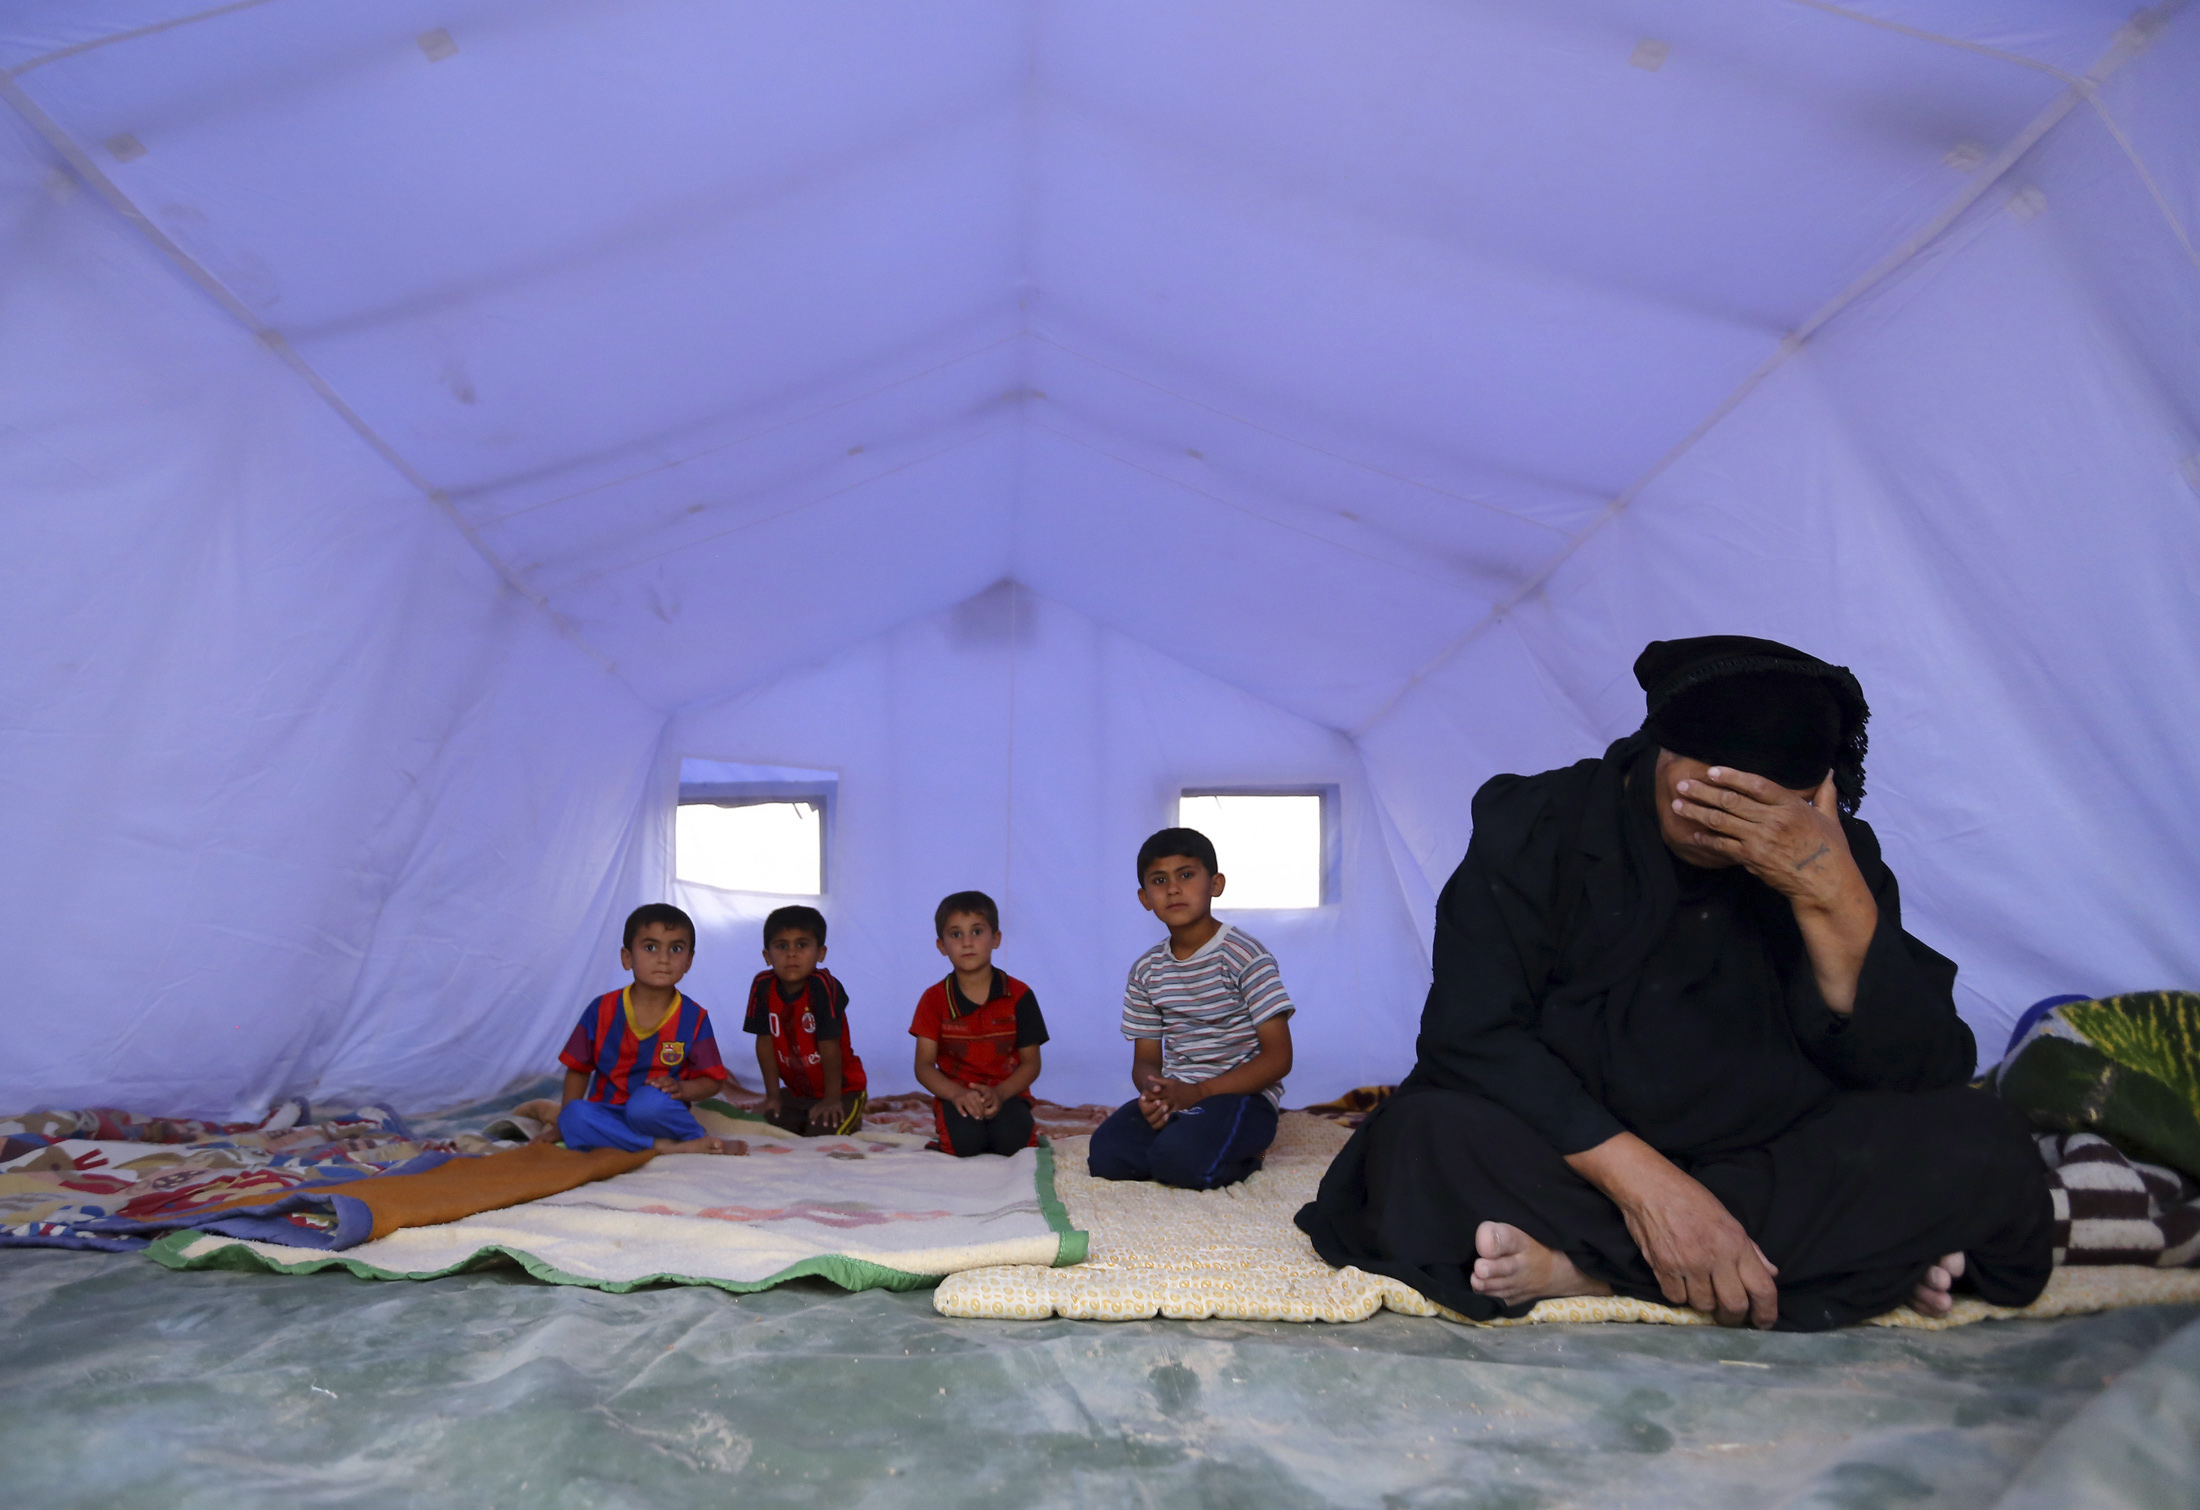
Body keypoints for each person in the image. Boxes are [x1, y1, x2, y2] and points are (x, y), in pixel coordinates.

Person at [1296, 636, 2054, 1332]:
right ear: (1657, 746)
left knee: (1982, 1142)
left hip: (1766, 1152)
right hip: (1574, 1150)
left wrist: (1833, 901)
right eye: (1700, 775)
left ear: (1811, 797)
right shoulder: (1543, 825)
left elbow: (1922, 1068)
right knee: (1419, 1146)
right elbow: (1473, 1034)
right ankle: (1835, 1268)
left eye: (1755, 797)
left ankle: (1588, 1271)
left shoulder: (1833, 856)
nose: (1713, 808)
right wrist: (1653, 1192)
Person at [1089, 828, 1296, 1190]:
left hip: (1242, 1098)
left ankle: (1242, 1157)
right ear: (1145, 898)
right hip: (1180, 1098)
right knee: (1106, 1154)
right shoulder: (1146, 970)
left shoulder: (1245, 955)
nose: (1173, 889)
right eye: (1159, 880)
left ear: (1215, 884)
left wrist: (1198, 1093)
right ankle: (1189, 1147)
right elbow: (1146, 1059)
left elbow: (1278, 1058)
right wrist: (1155, 1093)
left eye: (1186, 875)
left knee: (1179, 1160)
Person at [548, 904, 743, 1155]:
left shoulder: (694, 1017)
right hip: (608, 1112)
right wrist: (563, 1125)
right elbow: (578, 1069)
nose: (664, 958)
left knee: (645, 1105)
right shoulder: (601, 1010)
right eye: (650, 947)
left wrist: (683, 1089)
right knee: (573, 1114)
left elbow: (713, 1080)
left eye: (676, 949)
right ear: (627, 958)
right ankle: (667, 1148)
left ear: (689, 961)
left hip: (657, 1114)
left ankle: (694, 1137)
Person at [909, 891, 1050, 1156]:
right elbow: (924, 1065)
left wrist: (1000, 1093)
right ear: (941, 946)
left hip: (1008, 1095)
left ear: (996, 939)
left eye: (976, 931)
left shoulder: (1020, 995)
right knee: (964, 1144)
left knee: (1014, 1143)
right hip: (956, 1097)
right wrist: (956, 1094)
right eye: (955, 934)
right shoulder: (933, 999)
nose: (966, 943)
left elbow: (1031, 1063)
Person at [743, 905, 869, 1135]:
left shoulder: (823, 986)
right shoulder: (762, 986)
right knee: (767, 1122)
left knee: (822, 1132)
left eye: (802, 945)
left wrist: (832, 1099)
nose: (791, 954)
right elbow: (764, 1043)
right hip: (799, 1093)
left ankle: (850, 1111)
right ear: (767, 956)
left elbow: (829, 1044)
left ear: (820, 953)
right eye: (782, 946)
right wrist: (772, 1096)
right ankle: (791, 1105)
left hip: (842, 1089)